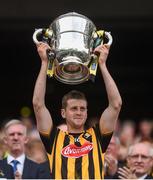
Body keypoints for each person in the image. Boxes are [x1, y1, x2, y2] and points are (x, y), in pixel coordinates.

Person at [33, 42, 122, 179]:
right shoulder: (54, 138)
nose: (79, 112)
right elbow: (38, 105)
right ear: (63, 113)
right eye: (74, 108)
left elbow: (116, 104)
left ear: (87, 113)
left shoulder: (97, 136)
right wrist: (45, 62)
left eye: (82, 109)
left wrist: (102, 65)